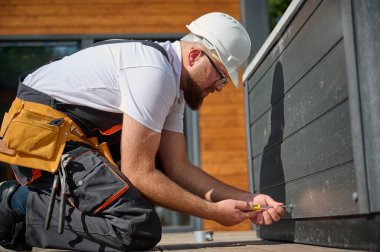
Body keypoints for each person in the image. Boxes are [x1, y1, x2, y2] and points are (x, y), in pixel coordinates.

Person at [0, 12, 285, 251]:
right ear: (195, 55)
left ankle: (37, 207)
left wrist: (248, 199)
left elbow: (177, 167)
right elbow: (139, 172)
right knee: (136, 227)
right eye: (221, 75)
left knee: (156, 172)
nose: (221, 87)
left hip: (70, 137)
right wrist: (213, 213)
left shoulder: (173, 87)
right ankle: (15, 204)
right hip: (40, 134)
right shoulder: (154, 72)